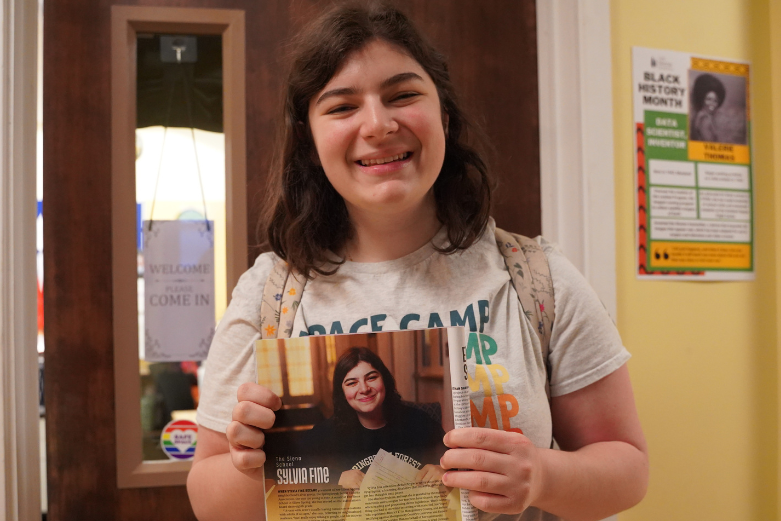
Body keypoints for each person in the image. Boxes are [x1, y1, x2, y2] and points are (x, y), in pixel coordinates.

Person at [187, 3, 649, 521]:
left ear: (444, 117)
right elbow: (208, 501)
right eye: (341, 107)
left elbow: (627, 470)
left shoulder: (538, 278)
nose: (379, 125)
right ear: (310, 142)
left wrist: (540, 475)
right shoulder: (269, 294)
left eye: (403, 95)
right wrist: (253, 467)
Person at [306, 347, 447, 489]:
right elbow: (296, 472)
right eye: (352, 383)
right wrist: (337, 477)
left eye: (371, 378)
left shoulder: (420, 422)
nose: (364, 389)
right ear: (342, 392)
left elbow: (454, 460)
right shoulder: (324, 434)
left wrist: (443, 470)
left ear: (384, 380)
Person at [690, 73, 726, 142]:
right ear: (702, 99)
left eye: (715, 101)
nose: (712, 104)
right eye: (708, 99)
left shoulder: (703, 116)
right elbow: (709, 144)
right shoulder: (704, 120)